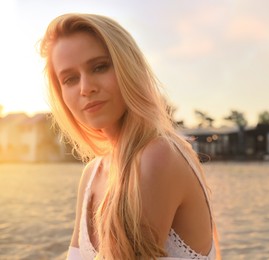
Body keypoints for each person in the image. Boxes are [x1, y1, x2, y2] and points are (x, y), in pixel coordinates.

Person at [40, 13, 219, 260]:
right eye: (70, 79)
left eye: (99, 67)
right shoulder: (92, 174)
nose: (85, 88)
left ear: (129, 68)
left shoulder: (158, 156)